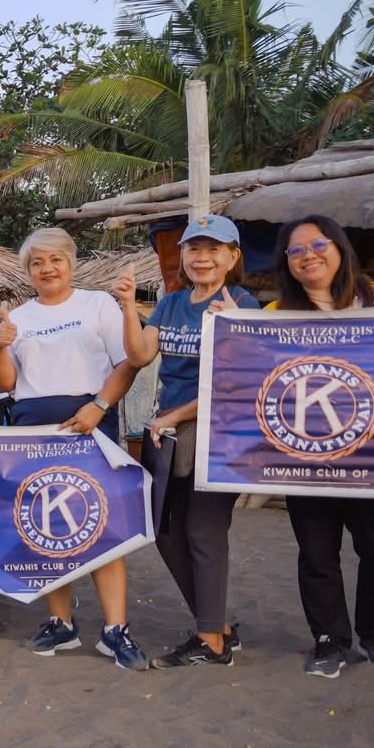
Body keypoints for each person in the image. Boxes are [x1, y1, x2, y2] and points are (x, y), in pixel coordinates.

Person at [0, 226, 150, 670]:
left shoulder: (98, 304)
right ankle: (61, 622)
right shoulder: (18, 317)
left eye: (55, 259)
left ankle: (115, 629)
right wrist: (1, 347)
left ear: (71, 263)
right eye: (37, 262)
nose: (47, 268)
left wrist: (99, 406)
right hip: (31, 430)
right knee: (46, 525)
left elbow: (128, 363)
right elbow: (4, 384)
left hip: (88, 425)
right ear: (27, 270)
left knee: (102, 523)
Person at [124, 214, 258, 668]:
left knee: (203, 530)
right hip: (169, 432)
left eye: (213, 248)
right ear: (181, 256)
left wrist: (238, 328)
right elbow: (141, 355)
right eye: (193, 249)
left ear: (232, 256)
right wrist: (127, 306)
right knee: (163, 531)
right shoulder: (171, 303)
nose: (202, 257)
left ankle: (211, 641)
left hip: (217, 433)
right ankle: (214, 625)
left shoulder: (243, 305)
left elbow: (236, 382)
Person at [267, 214, 374, 676]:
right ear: (286, 264)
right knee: (317, 554)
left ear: (339, 248)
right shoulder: (274, 318)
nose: (307, 255)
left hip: (372, 458)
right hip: (303, 458)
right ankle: (330, 640)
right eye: (295, 251)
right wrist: (224, 329)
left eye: (317, 245)